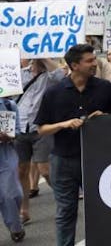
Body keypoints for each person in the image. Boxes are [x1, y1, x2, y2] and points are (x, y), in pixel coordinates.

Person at [35, 44, 111, 246]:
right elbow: (41, 129)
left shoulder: (105, 88)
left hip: (98, 160)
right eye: (89, 60)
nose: (94, 63)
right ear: (74, 65)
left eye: (94, 59)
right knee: (65, 211)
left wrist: (105, 118)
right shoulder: (54, 93)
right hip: (64, 160)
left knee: (103, 209)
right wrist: (63, 124)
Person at [14, 57, 62, 225]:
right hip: (19, 127)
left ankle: (63, 201)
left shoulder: (51, 76)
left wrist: (43, 57)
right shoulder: (19, 73)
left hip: (41, 127)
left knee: (45, 170)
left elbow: (61, 76)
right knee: (21, 170)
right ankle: (24, 209)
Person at [0, 96, 25, 243]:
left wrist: (7, 135)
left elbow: (17, 132)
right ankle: (15, 228)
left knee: (13, 194)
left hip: (6, 154)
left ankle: (15, 225)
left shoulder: (9, 104)